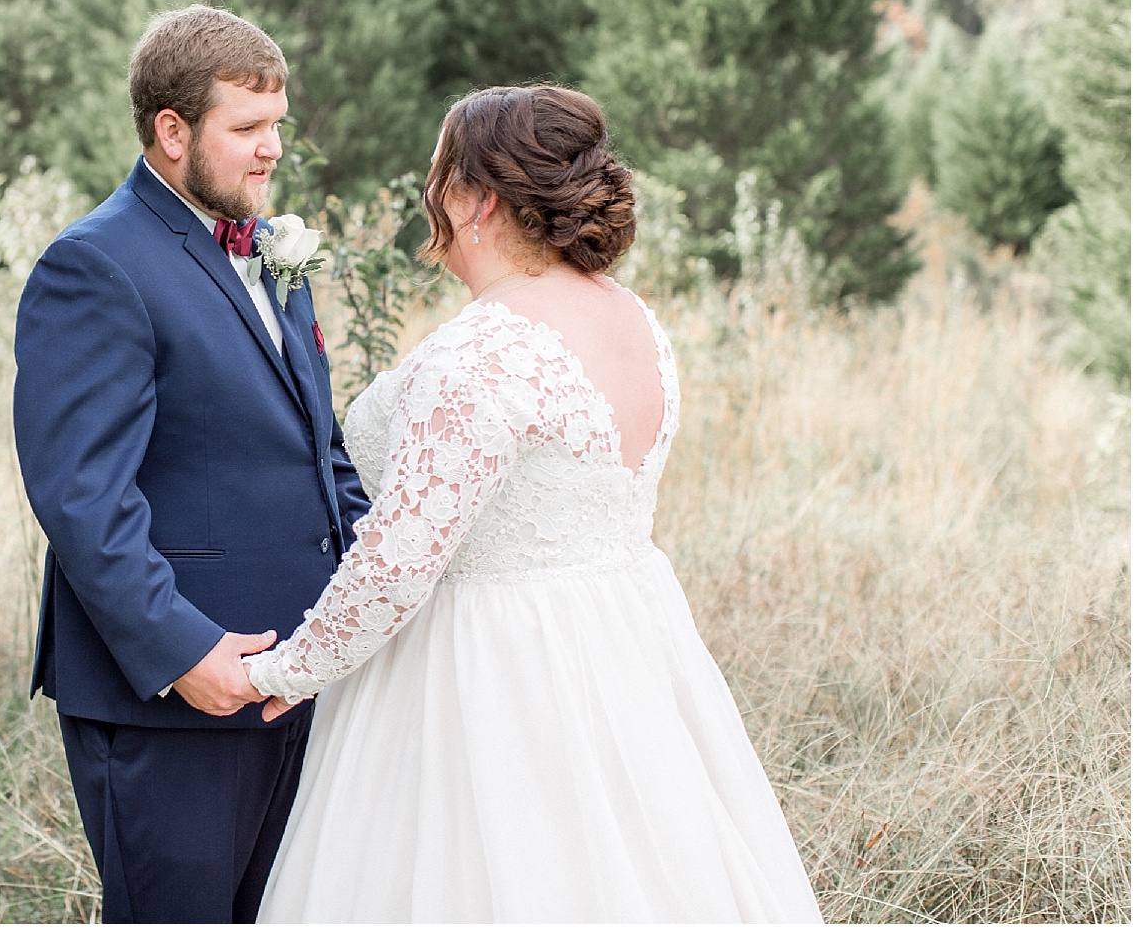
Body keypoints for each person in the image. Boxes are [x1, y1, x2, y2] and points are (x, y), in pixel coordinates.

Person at [244, 85, 825, 923]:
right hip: (623, 649)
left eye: (439, 173)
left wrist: (282, 671)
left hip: (484, 676)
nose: (425, 194)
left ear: (478, 199)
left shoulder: (480, 352)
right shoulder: (635, 321)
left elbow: (399, 559)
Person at [12, 5, 372, 923]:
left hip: (292, 675)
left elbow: (318, 451)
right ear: (171, 131)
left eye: (278, 125)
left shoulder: (271, 255)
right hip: (174, 698)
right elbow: (82, 494)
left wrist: (374, 591)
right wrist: (184, 652)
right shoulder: (96, 266)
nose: (272, 150)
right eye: (247, 128)